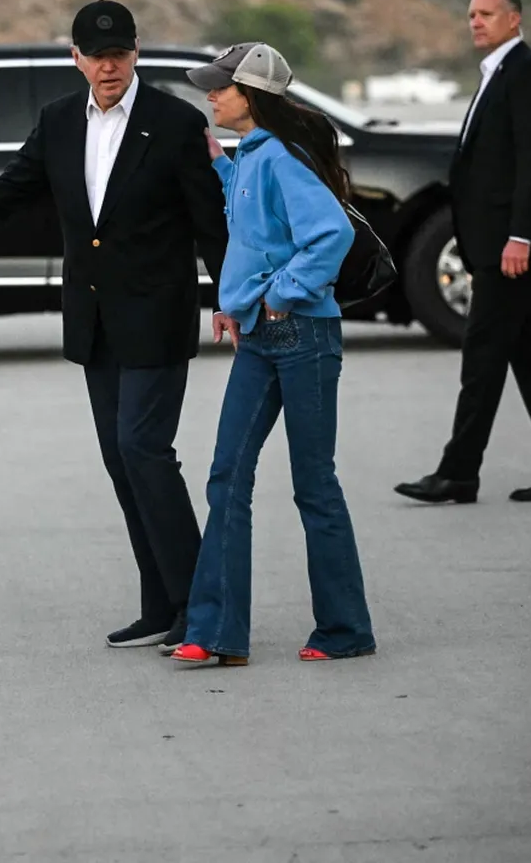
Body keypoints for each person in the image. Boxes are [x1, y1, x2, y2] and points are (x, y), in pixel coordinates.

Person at [0, 0, 230, 654]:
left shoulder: (175, 122)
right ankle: (160, 604)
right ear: (75, 57)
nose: (109, 66)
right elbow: (14, 185)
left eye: (120, 53)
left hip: (158, 314)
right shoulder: (58, 121)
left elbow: (209, 221)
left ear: (137, 53)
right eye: (95, 54)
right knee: (120, 460)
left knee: (144, 450)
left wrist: (229, 296)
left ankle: (203, 607)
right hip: (96, 319)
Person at [163, 42, 375, 668]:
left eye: (221, 88)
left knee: (313, 485)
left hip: (304, 336)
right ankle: (219, 633)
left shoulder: (281, 156)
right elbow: (258, 236)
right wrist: (238, 302)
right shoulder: (251, 156)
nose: (212, 97)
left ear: (251, 95)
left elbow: (329, 234)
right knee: (227, 475)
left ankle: (345, 629)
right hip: (258, 338)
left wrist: (282, 296)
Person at [395, 0, 531, 506]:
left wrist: (519, 236)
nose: (475, 22)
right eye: (471, 15)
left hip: (510, 248)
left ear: (514, 19)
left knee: (483, 358)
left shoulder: (527, 72)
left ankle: (458, 472)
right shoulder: (498, 74)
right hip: (494, 244)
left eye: (486, 14)